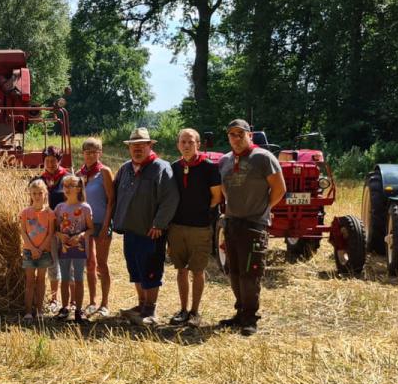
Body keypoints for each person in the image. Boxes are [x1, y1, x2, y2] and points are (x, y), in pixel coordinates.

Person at [219, 119, 287, 336]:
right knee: (235, 271)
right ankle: (239, 313)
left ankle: (250, 318)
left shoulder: (263, 158)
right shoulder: (225, 160)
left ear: (250, 135)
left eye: (241, 134)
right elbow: (224, 188)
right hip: (232, 223)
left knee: (251, 273)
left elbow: (279, 188)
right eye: (232, 135)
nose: (236, 139)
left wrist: (263, 208)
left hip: (254, 224)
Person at [112, 128, 179, 325]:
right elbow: (115, 195)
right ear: (129, 148)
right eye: (134, 146)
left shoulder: (161, 168)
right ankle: (141, 305)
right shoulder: (125, 169)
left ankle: (151, 309)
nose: (137, 149)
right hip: (130, 229)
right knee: (135, 270)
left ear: (150, 146)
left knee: (151, 271)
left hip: (151, 232)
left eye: (142, 145)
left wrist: (159, 223)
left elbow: (170, 199)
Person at [168, 128, 223, 327]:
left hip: (200, 228)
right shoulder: (174, 167)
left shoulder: (209, 167)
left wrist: (204, 214)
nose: (186, 145)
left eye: (190, 142)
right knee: (181, 270)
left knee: (197, 270)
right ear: (178, 145)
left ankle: (195, 312)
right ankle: (182, 310)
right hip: (177, 227)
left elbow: (217, 196)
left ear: (198, 144)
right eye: (183, 142)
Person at [80, 137, 115, 320]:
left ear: (99, 153)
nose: (91, 155)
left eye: (94, 152)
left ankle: (105, 303)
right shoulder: (80, 174)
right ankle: (92, 301)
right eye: (87, 152)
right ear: (83, 154)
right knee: (89, 264)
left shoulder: (104, 172)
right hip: (86, 225)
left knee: (102, 264)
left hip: (101, 223)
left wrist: (106, 226)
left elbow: (111, 200)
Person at [54, 174, 93, 322]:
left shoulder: (85, 208)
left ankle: (78, 309)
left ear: (78, 188)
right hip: (64, 247)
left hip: (79, 248)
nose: (67, 188)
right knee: (64, 278)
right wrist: (59, 234)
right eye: (65, 185)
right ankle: (64, 307)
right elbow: (55, 229)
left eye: (71, 185)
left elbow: (91, 229)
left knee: (78, 279)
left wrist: (81, 235)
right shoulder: (59, 208)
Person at [19, 177, 55, 323]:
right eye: (34, 193)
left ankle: (39, 310)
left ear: (45, 193)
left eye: (40, 193)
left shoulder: (49, 213)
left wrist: (40, 249)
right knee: (29, 281)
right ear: (30, 195)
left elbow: (50, 233)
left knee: (41, 281)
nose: (37, 196)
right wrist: (33, 248)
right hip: (29, 251)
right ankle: (28, 312)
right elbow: (23, 232)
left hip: (44, 252)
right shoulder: (25, 212)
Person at [39, 147, 70, 310]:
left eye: (53, 160)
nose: (50, 164)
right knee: (52, 263)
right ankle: (54, 299)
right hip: (46, 229)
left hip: (65, 228)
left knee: (68, 263)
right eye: (47, 160)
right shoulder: (39, 180)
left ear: (59, 161)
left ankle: (71, 300)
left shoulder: (68, 178)